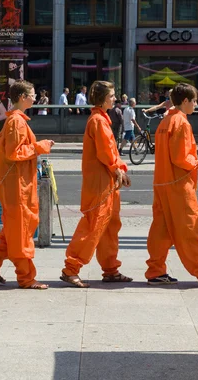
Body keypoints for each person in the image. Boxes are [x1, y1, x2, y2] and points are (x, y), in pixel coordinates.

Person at [145, 83, 198, 287]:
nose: (196, 104)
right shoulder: (181, 123)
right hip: (178, 185)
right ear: (185, 101)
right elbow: (181, 158)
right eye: (194, 100)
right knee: (189, 229)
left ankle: (155, 271)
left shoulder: (165, 121)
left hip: (162, 183)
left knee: (161, 230)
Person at [0, 80, 55, 289]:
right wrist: (40, 147)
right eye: (32, 94)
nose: (35, 98)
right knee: (21, 233)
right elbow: (15, 153)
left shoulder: (16, 120)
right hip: (18, 187)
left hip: (20, 185)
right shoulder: (16, 122)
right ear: (22, 97)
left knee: (14, 231)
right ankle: (26, 277)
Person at [60, 81, 132, 288]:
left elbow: (110, 152)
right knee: (93, 226)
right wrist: (118, 169)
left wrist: (120, 169)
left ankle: (110, 269)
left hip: (106, 182)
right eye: (111, 96)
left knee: (109, 227)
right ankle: (70, 269)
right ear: (102, 99)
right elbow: (106, 153)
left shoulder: (101, 119)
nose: (114, 99)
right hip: (100, 184)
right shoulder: (99, 121)